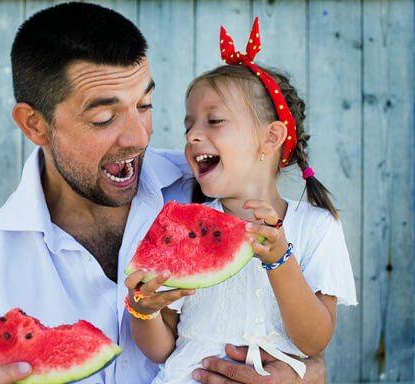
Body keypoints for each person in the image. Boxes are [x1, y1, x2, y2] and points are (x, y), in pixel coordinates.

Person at [0, 4, 327, 384]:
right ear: (34, 125)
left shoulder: (213, 187)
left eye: (145, 104)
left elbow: (295, 331)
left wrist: (309, 372)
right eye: (104, 118)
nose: (140, 137)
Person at [124, 18, 357, 383]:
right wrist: (141, 311)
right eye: (189, 126)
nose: (194, 136)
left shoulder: (317, 227)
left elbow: (313, 341)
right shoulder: (185, 225)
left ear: (271, 138)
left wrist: (280, 260)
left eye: (214, 121)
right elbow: (162, 349)